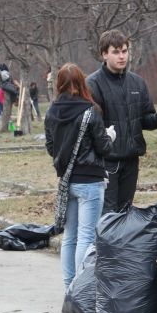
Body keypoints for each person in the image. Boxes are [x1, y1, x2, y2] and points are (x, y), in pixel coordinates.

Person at [86, 29, 157, 214]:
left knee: (126, 211)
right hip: (106, 161)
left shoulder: (137, 83)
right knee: (109, 215)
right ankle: (104, 244)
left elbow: (145, 120)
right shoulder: (93, 84)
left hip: (131, 159)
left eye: (125, 51)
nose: (122, 56)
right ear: (104, 54)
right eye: (116, 52)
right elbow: (88, 128)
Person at [44, 63, 114, 288]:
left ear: (59, 84)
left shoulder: (52, 111)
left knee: (70, 237)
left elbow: (50, 147)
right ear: (83, 83)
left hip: (67, 181)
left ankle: (69, 288)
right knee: (86, 236)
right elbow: (104, 148)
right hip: (90, 181)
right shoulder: (90, 111)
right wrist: (109, 135)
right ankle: (81, 289)